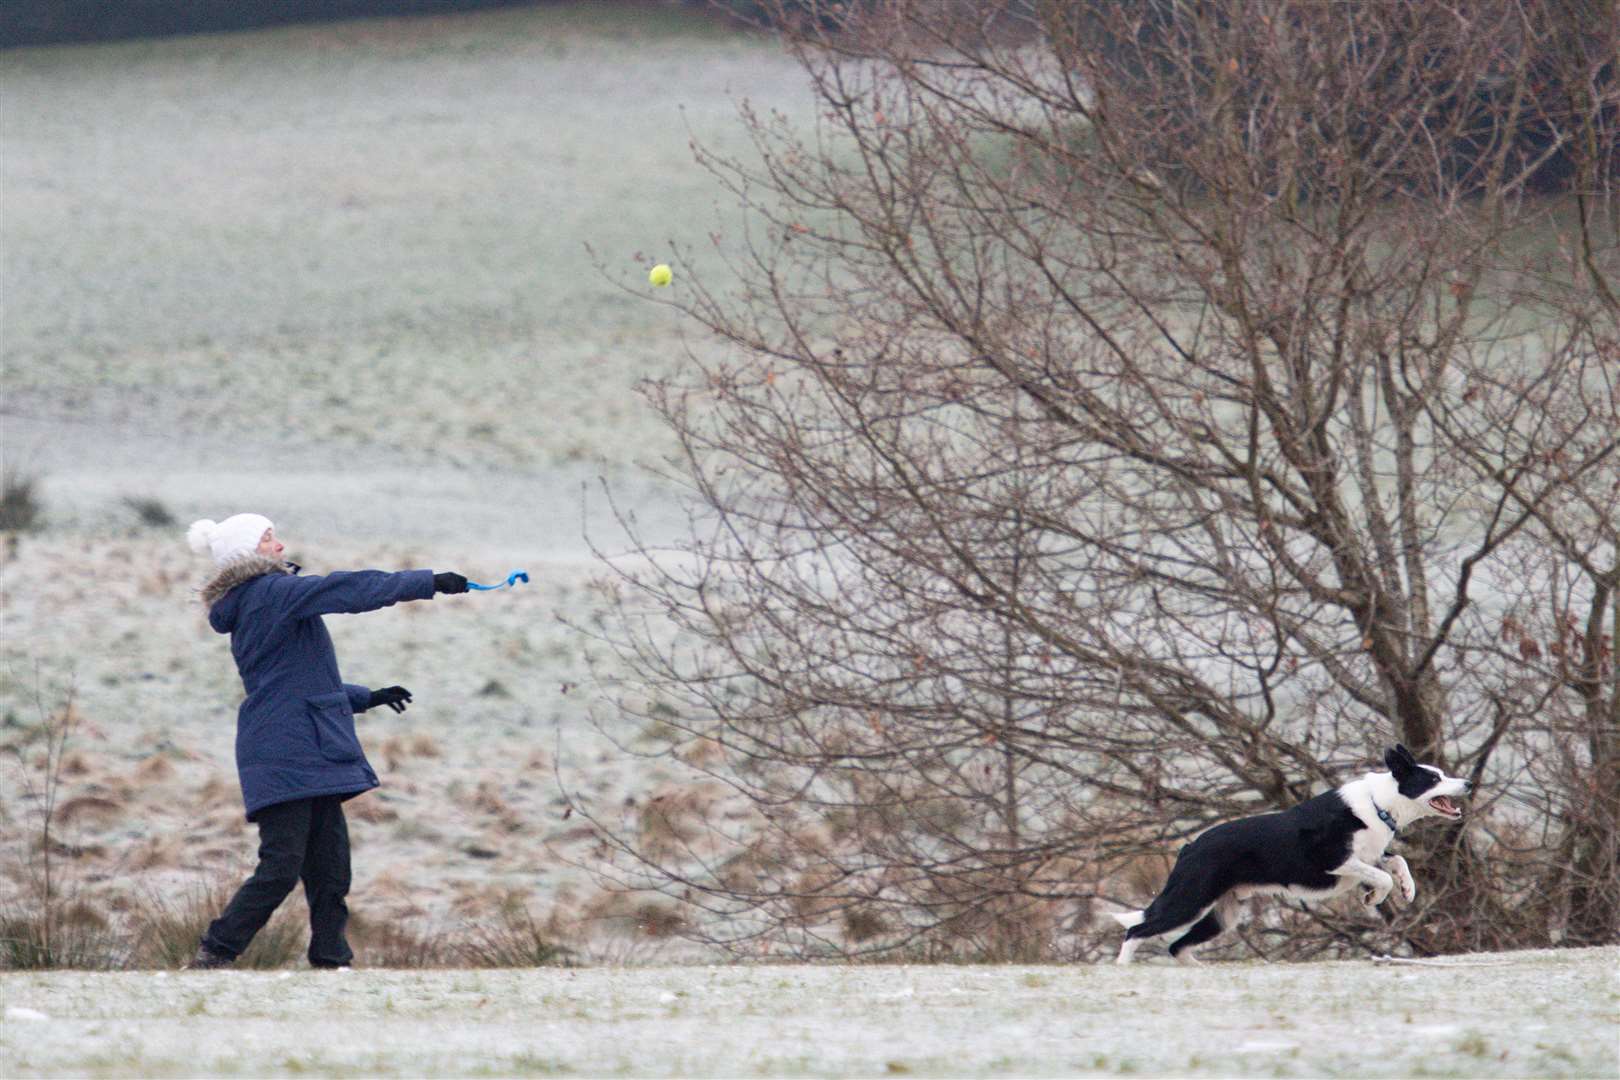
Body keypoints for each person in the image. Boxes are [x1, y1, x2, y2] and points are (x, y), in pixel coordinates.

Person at [183, 512, 469, 969]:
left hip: (303, 744)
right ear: (245, 552)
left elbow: (293, 681)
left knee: (331, 870)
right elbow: (348, 589)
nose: (279, 547)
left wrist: (365, 697)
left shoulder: (261, 599)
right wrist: (427, 582)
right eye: (268, 539)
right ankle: (216, 950)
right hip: (284, 749)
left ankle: (332, 959)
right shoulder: (270, 593)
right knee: (281, 867)